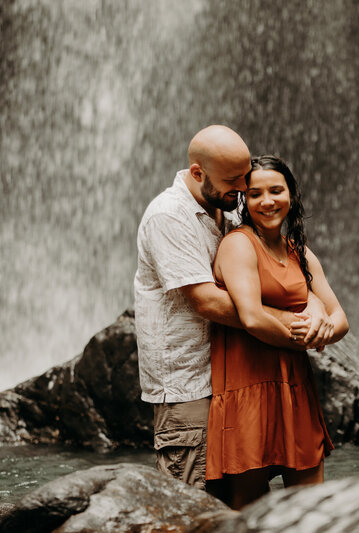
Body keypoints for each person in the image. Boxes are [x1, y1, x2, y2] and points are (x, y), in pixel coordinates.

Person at [134, 126, 335, 490]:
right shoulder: (169, 216)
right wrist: (294, 326)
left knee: (235, 511)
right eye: (234, 181)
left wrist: (317, 307)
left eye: (245, 178)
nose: (244, 189)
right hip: (189, 385)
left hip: (233, 381)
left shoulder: (225, 208)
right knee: (194, 511)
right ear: (198, 173)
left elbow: (286, 276)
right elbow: (206, 300)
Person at [206, 154, 349, 509]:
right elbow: (251, 318)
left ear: (291, 194)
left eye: (276, 190)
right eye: (255, 194)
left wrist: (323, 326)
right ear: (244, 199)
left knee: (312, 510)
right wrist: (306, 333)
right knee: (251, 515)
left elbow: (341, 319)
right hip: (248, 389)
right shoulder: (238, 244)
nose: (267, 201)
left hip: (295, 388)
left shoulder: (299, 251)